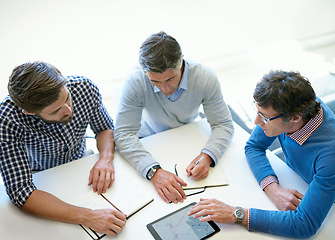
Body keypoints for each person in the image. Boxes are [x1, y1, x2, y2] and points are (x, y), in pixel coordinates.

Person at [188, 70, 335, 238]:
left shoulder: (330, 155)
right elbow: (253, 146)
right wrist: (273, 189)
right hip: (302, 183)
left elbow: (303, 225)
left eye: (264, 117)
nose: (256, 122)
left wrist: (235, 214)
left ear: (294, 117)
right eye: (257, 111)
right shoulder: (299, 106)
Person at [0, 62, 126, 237]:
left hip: (81, 161)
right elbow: (20, 190)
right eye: (55, 111)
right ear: (29, 112)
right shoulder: (6, 120)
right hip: (43, 174)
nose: (68, 110)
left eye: (67, 98)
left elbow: (105, 128)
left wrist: (105, 158)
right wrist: (88, 216)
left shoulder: (84, 87)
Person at [114, 31, 234, 204]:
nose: (165, 89)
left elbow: (223, 124)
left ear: (182, 60)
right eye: (155, 82)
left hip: (187, 137)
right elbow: (123, 133)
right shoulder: (136, 80)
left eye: (171, 79)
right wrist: (153, 171)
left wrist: (208, 155)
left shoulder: (204, 77)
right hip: (148, 141)